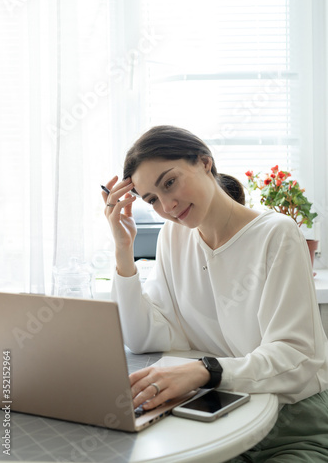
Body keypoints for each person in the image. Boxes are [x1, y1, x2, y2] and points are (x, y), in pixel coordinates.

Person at [102, 125, 328, 462]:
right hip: (219, 414)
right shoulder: (173, 239)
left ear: (204, 162)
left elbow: (293, 357)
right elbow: (143, 336)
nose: (167, 205)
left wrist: (207, 370)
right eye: (152, 200)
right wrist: (123, 252)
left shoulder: (276, 234)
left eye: (169, 182)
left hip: (293, 421)